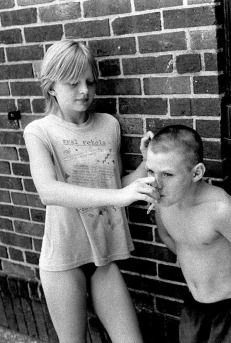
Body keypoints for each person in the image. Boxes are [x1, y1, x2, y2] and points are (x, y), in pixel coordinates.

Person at [23, 39, 158, 343]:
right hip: (64, 258)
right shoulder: (39, 131)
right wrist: (119, 197)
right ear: (51, 86)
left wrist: (144, 167)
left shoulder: (108, 124)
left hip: (103, 257)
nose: (84, 90)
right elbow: (49, 192)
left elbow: (115, 187)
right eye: (73, 83)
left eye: (90, 82)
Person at [146, 125, 231, 343]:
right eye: (151, 172)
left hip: (230, 310)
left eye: (167, 174)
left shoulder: (220, 209)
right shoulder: (163, 204)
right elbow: (167, 236)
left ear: (197, 173)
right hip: (194, 307)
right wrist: (188, 257)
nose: (156, 184)